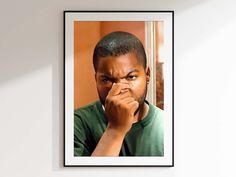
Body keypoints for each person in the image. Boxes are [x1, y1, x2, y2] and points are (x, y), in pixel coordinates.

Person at [74, 31, 163, 156]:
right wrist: (115, 129)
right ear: (96, 80)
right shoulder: (75, 123)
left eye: (131, 77)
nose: (120, 89)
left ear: (147, 75)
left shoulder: (169, 126)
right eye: (106, 80)